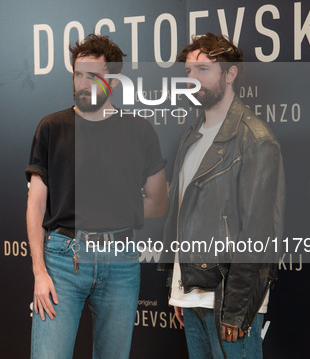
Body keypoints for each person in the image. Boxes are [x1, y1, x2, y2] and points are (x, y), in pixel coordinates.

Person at [25, 33, 167, 359]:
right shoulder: (52, 127)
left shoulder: (139, 130)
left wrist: (122, 209)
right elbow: (36, 204)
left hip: (121, 262)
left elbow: (160, 201)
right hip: (62, 260)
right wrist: (39, 272)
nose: (83, 84)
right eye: (78, 74)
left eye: (93, 76)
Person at [161, 33, 285, 358]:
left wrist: (238, 307)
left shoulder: (255, 139)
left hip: (228, 300)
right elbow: (184, 217)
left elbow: (259, 231)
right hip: (193, 296)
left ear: (230, 74)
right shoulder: (191, 137)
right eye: (188, 71)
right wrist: (181, 289)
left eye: (203, 70)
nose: (192, 79)